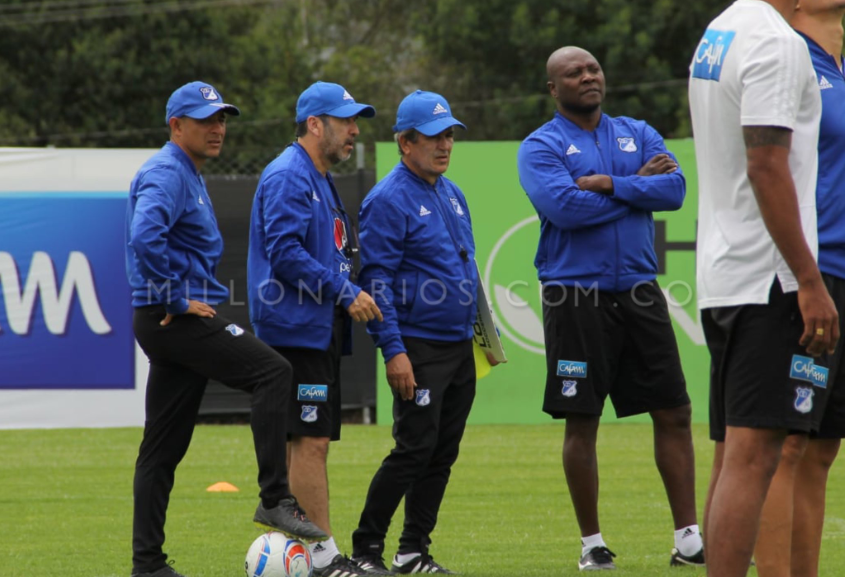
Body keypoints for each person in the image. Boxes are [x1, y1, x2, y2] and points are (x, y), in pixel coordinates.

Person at [126, 81, 326, 577]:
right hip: (175, 317)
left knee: (161, 450)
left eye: (222, 119)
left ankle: (147, 564)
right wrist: (173, 297)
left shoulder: (186, 172)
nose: (218, 129)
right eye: (205, 120)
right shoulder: (167, 172)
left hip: (166, 319)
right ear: (176, 126)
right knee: (273, 373)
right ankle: (275, 498)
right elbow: (143, 235)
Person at [517, 46, 702, 571]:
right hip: (574, 294)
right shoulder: (540, 146)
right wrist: (637, 186)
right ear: (554, 89)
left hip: (639, 289)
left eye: (594, 68)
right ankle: (591, 544)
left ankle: (688, 539)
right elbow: (565, 209)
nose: (588, 76)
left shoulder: (637, 130)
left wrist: (612, 183)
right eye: (573, 73)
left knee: (675, 411)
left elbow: (675, 191)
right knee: (582, 419)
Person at [688, 0, 839, 575]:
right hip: (768, 276)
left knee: (734, 456)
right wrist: (808, 279)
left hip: (726, 273)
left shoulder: (720, 29)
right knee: (755, 459)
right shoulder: (777, 41)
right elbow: (766, 166)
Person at [247, 81, 382, 577]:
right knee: (311, 440)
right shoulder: (289, 174)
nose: (354, 130)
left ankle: (313, 554)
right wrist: (345, 292)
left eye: (356, 121)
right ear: (313, 124)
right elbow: (284, 253)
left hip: (315, 326)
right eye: (345, 121)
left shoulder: (318, 177)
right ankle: (324, 558)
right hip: (294, 327)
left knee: (312, 439)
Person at [350, 90, 487, 575]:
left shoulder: (451, 191)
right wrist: (394, 351)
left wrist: (482, 336)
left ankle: (412, 552)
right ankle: (366, 550)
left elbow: (465, 268)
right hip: (418, 347)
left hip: (457, 347)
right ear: (405, 143)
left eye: (450, 135)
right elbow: (376, 282)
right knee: (412, 449)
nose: (445, 144)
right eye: (434, 137)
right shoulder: (387, 198)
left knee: (441, 451)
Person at [753, 2, 845, 576]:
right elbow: (764, 165)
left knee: (823, 450)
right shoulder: (786, 55)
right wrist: (805, 276)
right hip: (808, 273)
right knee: (786, 444)